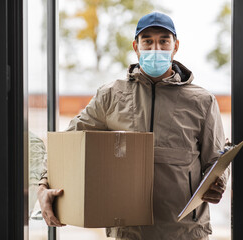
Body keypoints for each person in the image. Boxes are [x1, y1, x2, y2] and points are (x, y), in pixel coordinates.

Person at [37, 12, 229, 240]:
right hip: (129, 231)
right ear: (136, 47)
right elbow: (68, 143)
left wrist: (219, 182)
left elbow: (216, 160)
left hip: (185, 231)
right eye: (147, 41)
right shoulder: (111, 95)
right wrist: (43, 184)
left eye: (163, 40)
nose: (155, 48)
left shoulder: (202, 101)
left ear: (175, 46)